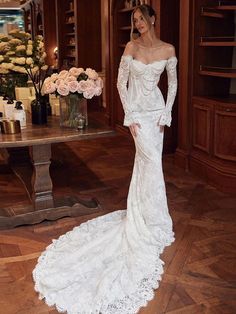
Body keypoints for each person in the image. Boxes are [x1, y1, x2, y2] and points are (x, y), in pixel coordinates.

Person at [32, 4, 177, 314]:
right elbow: (120, 83)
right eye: (134, 19)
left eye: (141, 18)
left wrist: (167, 112)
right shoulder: (131, 46)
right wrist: (130, 116)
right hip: (139, 116)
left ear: (152, 18)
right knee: (149, 163)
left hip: (158, 115)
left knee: (153, 166)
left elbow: (173, 83)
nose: (137, 23)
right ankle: (144, 222)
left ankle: (154, 219)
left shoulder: (167, 48)